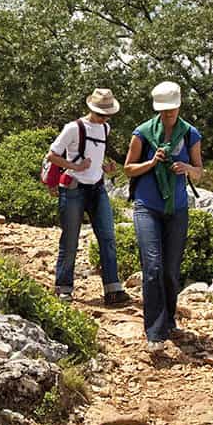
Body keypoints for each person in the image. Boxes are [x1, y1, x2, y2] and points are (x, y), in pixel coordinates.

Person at [123, 81, 203, 354]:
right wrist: (152, 163)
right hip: (147, 206)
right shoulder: (143, 133)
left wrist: (187, 168)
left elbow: (200, 171)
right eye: (164, 111)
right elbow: (128, 169)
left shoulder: (191, 134)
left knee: (170, 270)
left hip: (177, 209)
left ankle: (170, 320)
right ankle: (154, 332)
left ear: (179, 106)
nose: (168, 115)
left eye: (172, 110)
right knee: (153, 267)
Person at [45, 88, 132, 306]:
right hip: (73, 188)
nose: (104, 118)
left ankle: (113, 289)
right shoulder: (73, 128)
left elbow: (95, 157)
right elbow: (52, 156)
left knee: (108, 237)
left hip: (98, 188)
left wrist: (106, 167)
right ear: (91, 109)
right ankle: (63, 288)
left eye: (106, 114)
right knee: (70, 239)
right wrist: (75, 166)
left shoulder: (106, 129)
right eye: (100, 113)